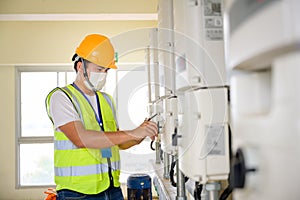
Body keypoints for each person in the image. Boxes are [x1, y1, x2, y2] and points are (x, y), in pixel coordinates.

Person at [45, 34, 158, 200]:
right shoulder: (61, 97)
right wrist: (134, 132)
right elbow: (81, 139)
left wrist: (143, 133)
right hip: (77, 194)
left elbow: (117, 141)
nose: (103, 74)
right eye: (99, 69)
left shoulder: (106, 100)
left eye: (106, 70)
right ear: (80, 66)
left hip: (112, 189)